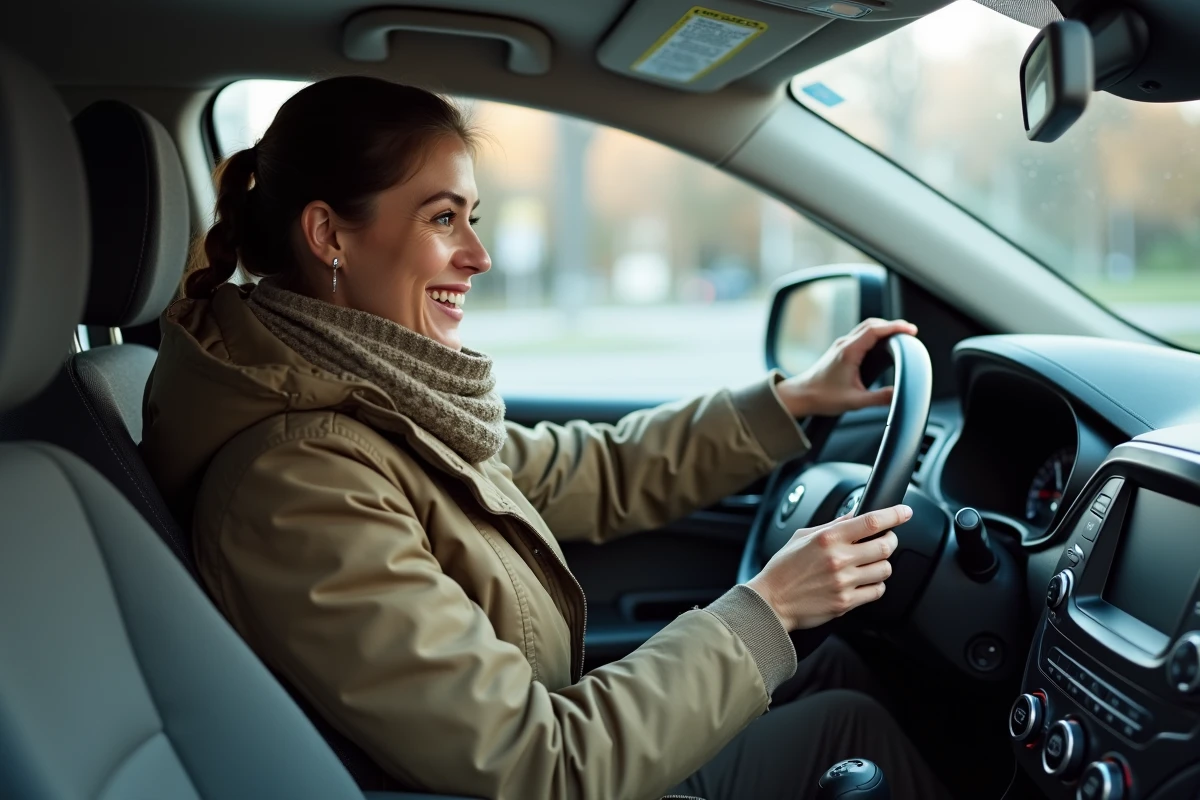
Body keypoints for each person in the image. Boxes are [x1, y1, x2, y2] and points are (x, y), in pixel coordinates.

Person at [141, 76, 952, 800]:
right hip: (556, 774)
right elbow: (538, 762)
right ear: (330, 236)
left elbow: (588, 469)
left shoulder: (376, 406)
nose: (480, 254)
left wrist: (792, 401)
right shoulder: (298, 483)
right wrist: (769, 607)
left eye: (473, 218)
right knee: (850, 728)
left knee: (838, 674)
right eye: (443, 218)